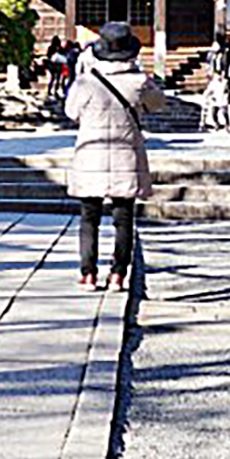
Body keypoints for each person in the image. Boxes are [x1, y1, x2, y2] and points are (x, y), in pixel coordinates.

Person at [63, 20, 165, 291]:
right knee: (124, 218)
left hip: (91, 154)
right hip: (126, 155)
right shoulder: (140, 82)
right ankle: (118, 274)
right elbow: (159, 104)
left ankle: (88, 274)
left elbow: (71, 113)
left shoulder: (86, 83)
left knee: (89, 217)